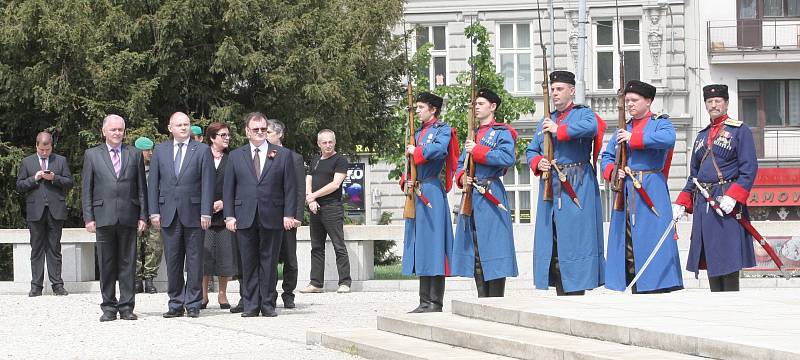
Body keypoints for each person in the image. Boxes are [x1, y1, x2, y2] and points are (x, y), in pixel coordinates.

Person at [526, 71, 606, 296]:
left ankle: (575, 288)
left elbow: (592, 128)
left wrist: (559, 130)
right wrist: (537, 161)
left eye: (559, 89)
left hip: (576, 182)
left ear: (572, 91)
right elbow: (531, 149)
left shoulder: (583, 114)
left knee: (575, 239)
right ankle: (558, 285)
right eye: (552, 89)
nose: (554, 93)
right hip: (550, 184)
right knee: (552, 238)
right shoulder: (545, 119)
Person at [600, 80, 683, 294]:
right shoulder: (623, 127)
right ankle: (630, 280)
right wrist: (612, 170)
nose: (629, 104)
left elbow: (668, 138)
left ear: (648, 101)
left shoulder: (659, 123)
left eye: (634, 100)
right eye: (627, 100)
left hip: (651, 187)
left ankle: (656, 283)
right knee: (626, 237)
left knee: (652, 235)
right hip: (627, 188)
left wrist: (633, 138)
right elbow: (607, 156)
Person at [673, 84, 758, 292]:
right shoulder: (701, 136)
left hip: (725, 201)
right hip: (704, 201)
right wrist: (682, 202)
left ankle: (730, 303)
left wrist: (734, 196)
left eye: (718, 101)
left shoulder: (740, 130)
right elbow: (694, 175)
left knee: (728, 256)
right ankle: (716, 302)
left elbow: (749, 168)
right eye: (709, 102)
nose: (714, 105)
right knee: (710, 256)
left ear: (726, 103)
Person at [224, 112, 297, 317]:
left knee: (269, 261)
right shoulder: (236, 155)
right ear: (247, 131)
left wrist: (289, 214)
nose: (259, 133)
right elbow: (229, 189)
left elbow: (290, 187)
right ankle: (250, 305)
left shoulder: (282, 154)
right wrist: (229, 215)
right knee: (248, 263)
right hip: (244, 215)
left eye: (263, 129)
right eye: (255, 129)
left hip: (272, 215)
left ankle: (267, 304)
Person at [451, 88, 518, 298]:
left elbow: (507, 158)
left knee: (494, 249)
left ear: (493, 106)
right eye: (475, 104)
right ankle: (482, 299)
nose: (476, 108)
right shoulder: (474, 134)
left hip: (491, 194)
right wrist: (462, 177)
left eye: (480, 104)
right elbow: (460, 164)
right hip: (472, 195)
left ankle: (496, 301)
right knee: (476, 250)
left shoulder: (501, 132)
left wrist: (477, 151)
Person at [81, 114, 148, 322]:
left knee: (128, 263)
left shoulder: (134, 154)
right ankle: (108, 307)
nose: (117, 133)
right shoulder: (92, 155)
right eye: (113, 129)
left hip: (129, 215)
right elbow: (87, 189)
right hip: (103, 217)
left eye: (120, 130)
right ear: (104, 131)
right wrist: (89, 217)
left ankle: (127, 306)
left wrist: (143, 215)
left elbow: (141, 189)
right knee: (107, 263)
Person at [148, 112, 214, 318]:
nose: (183, 128)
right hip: (168, 213)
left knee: (194, 260)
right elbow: (153, 185)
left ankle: (193, 302)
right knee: (173, 260)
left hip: (194, 213)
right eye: (179, 125)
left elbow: (208, 183)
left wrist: (206, 211)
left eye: (186, 124)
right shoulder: (160, 150)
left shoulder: (202, 150)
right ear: (170, 128)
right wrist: (153, 211)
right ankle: (175, 302)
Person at [401, 92, 458, 313]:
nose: (417, 111)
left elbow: (440, 150)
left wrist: (417, 151)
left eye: (421, 107)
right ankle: (423, 300)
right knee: (420, 247)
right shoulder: (416, 132)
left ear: (433, 109)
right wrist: (405, 180)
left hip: (431, 191)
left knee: (434, 246)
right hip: (416, 190)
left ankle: (435, 301)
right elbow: (408, 165)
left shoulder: (441, 130)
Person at [16, 132, 74, 297]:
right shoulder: (27, 162)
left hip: (56, 210)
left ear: (51, 147)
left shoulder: (60, 160)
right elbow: (19, 186)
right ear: (36, 146)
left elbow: (69, 182)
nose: (44, 153)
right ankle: (36, 286)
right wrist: (34, 179)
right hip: (35, 211)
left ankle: (57, 286)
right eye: (42, 149)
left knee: (55, 248)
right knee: (37, 249)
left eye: (47, 149)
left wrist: (54, 178)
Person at [299, 129, 351, 294]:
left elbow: (335, 185)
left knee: (338, 245)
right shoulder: (315, 159)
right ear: (319, 144)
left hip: (332, 207)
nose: (328, 145)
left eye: (330, 142)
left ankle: (344, 282)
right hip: (315, 208)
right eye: (324, 142)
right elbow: (309, 178)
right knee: (316, 247)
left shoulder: (340, 160)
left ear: (335, 142)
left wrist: (313, 196)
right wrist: (310, 199)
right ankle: (315, 283)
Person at [265, 119, 303, 309]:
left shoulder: (293, 157)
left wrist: (296, 216)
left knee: (289, 257)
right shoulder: (262, 155)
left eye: (269, 132)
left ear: (279, 134)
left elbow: (298, 188)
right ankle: (269, 294)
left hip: (287, 216)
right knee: (269, 257)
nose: (265, 135)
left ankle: (288, 293)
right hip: (267, 214)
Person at [201, 122, 238, 309]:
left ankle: (222, 295)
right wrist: (206, 204)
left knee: (225, 256)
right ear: (212, 137)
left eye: (228, 135)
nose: (227, 138)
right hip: (203, 216)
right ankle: (203, 295)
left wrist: (224, 202)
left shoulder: (232, 159)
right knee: (203, 256)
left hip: (225, 215)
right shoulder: (201, 156)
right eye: (223, 135)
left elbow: (237, 185)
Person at [134, 136, 163, 294]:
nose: (150, 153)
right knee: (135, 246)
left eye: (151, 149)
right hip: (136, 214)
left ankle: (150, 279)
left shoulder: (156, 169)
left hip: (154, 213)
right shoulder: (131, 168)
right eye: (147, 150)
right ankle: (137, 279)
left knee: (154, 246)